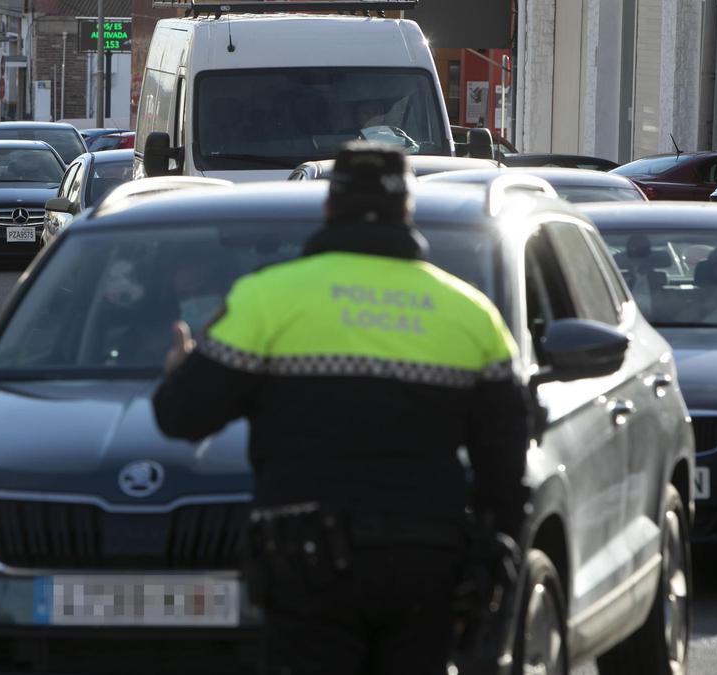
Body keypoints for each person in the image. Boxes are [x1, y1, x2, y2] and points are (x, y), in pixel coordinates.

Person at [152, 142, 531, 675]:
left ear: (330, 207)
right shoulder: (472, 315)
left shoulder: (266, 299)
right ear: (407, 210)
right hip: (426, 565)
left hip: (306, 565)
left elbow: (181, 418)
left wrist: (180, 371)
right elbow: (506, 468)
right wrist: (493, 560)